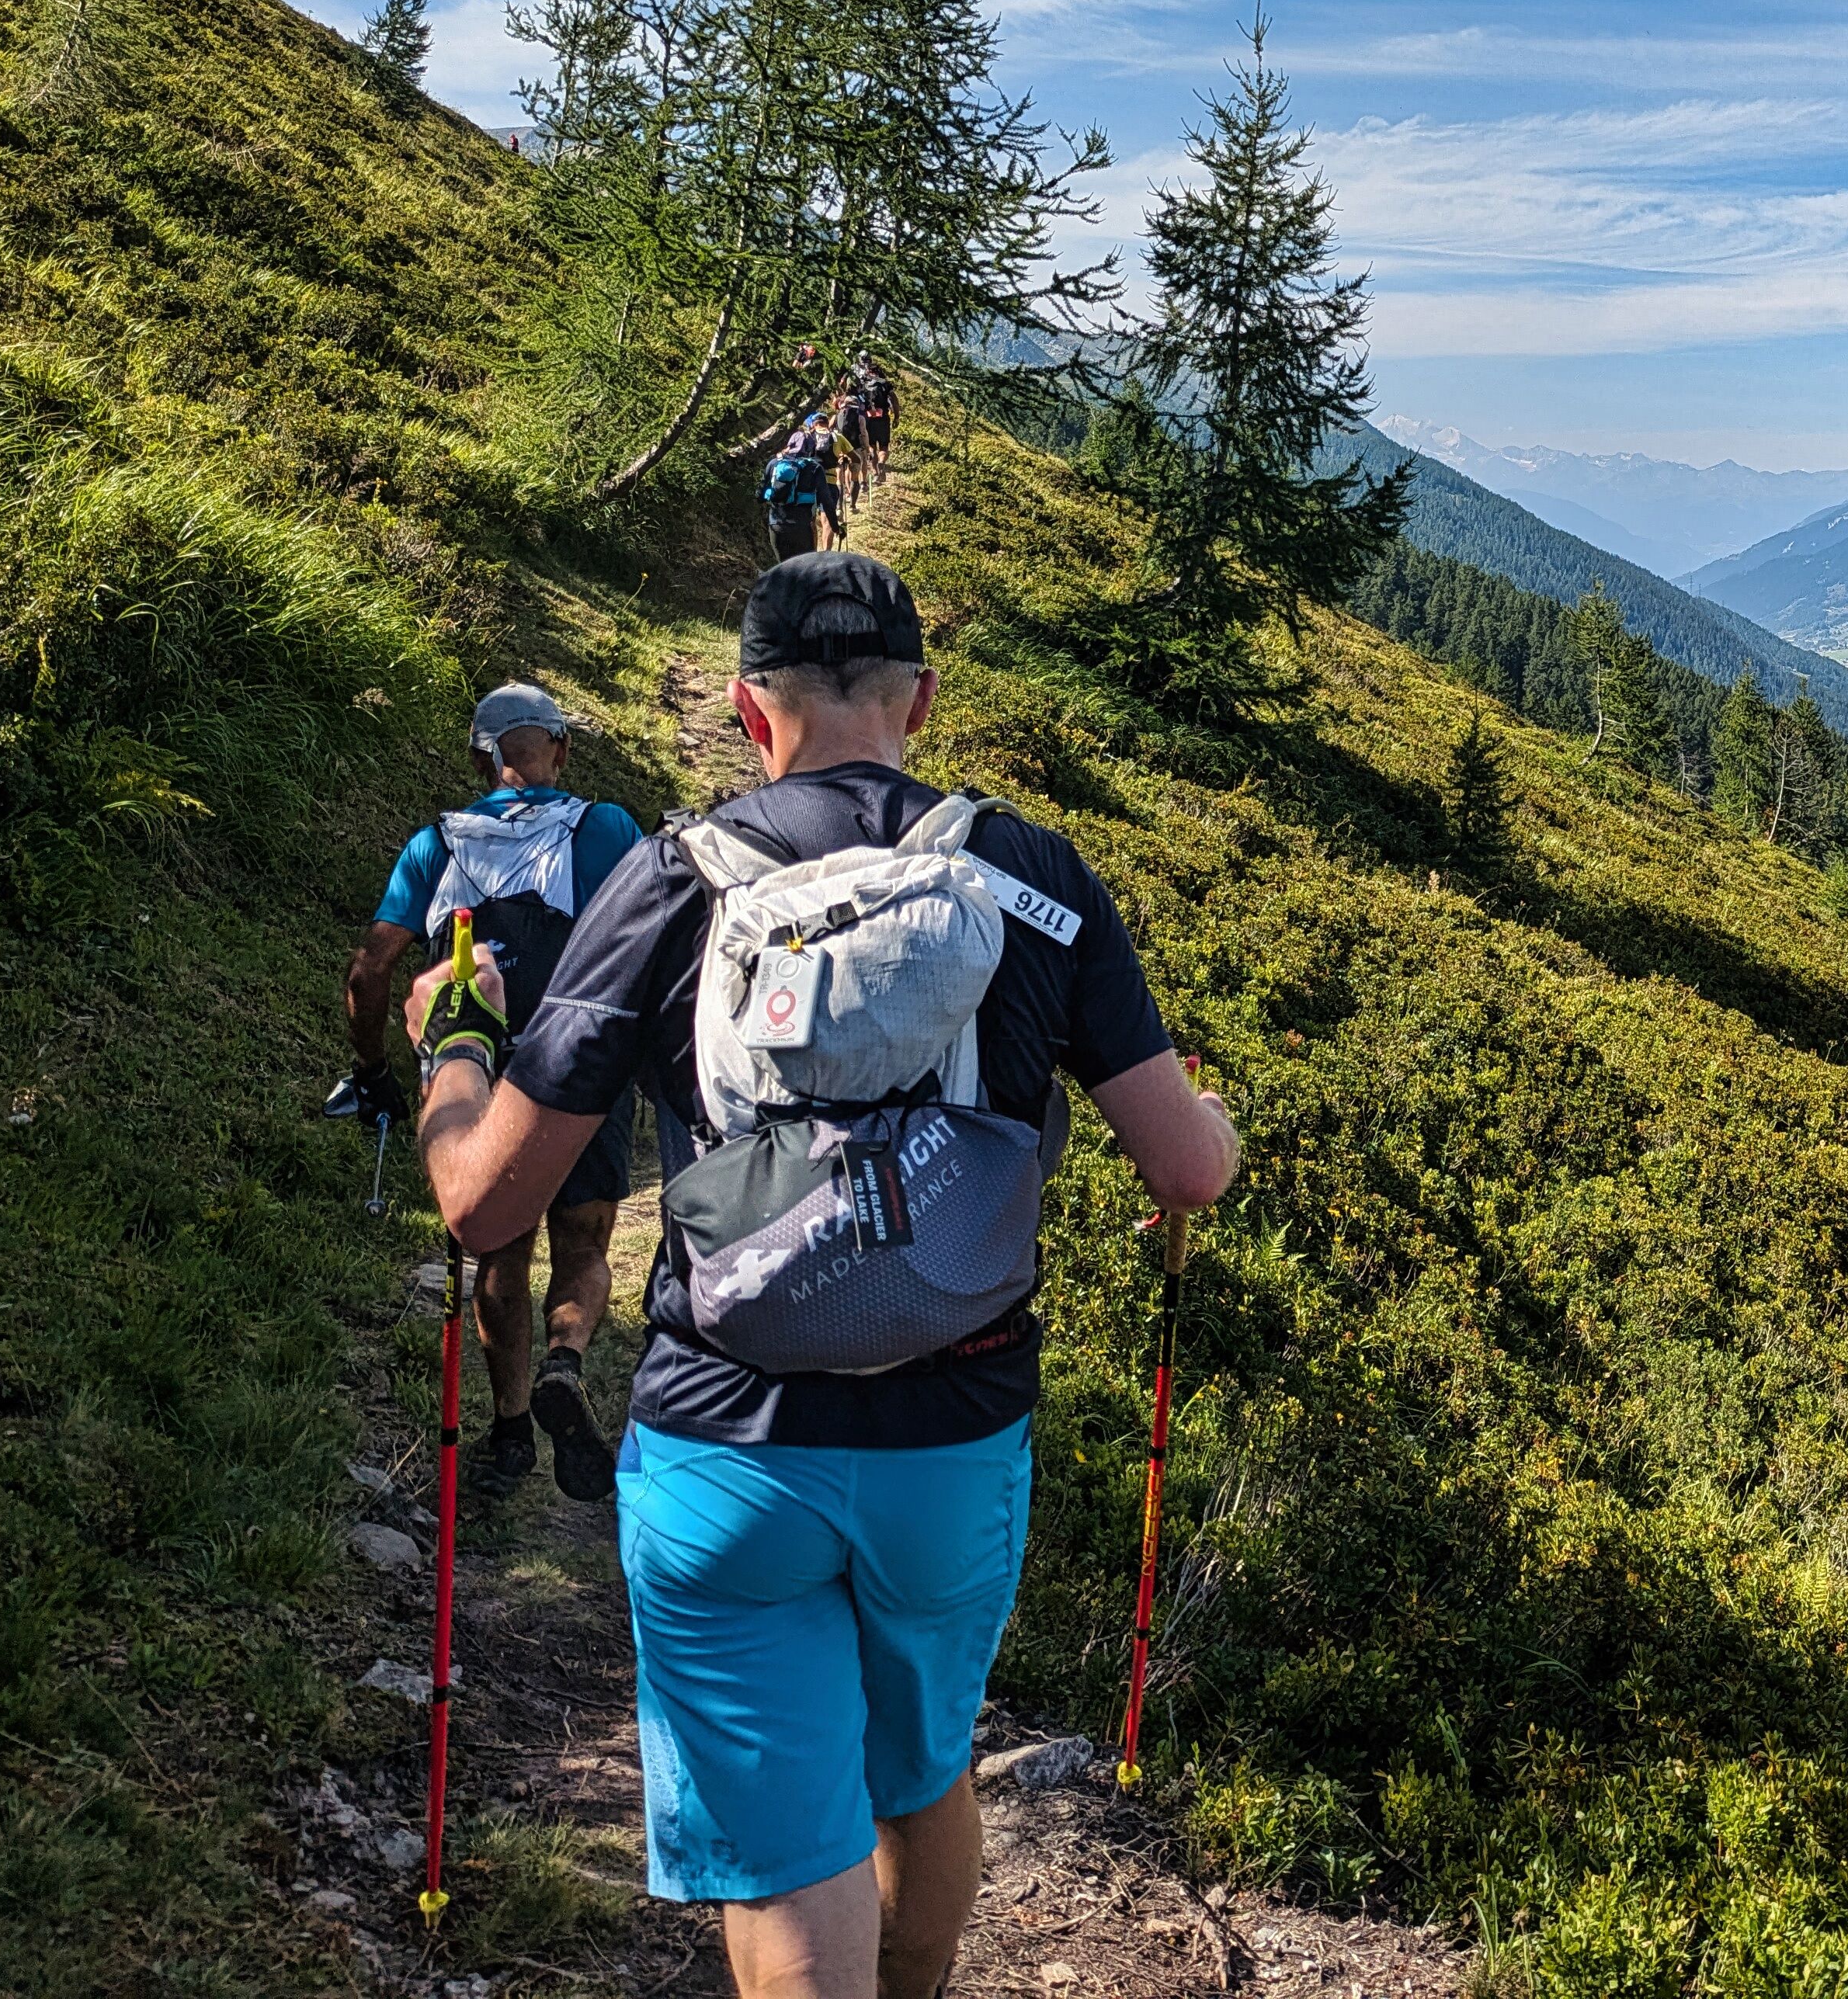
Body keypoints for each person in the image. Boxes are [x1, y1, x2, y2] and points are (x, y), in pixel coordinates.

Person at [405, 554, 1235, 1999]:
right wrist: (1210, 1118)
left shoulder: (671, 882)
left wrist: (453, 1049)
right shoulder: (1035, 877)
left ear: (747, 710)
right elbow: (1185, 1168)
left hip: (729, 1445)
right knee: (919, 1773)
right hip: (953, 1435)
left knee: (790, 1849)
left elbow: (485, 1207)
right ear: (919, 697)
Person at [340, 681, 648, 1501]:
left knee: (498, 1252)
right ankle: (565, 1360)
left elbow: (372, 969)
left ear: (481, 758)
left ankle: (509, 1431)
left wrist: (373, 1066)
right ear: (562, 749)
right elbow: (656, 935)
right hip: (584, 1062)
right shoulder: (606, 827)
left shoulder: (433, 845)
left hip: (475, 1068)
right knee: (583, 1244)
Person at [763, 425, 841, 562]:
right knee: (805, 572)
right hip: (802, 527)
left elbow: (761, 494)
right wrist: (836, 528)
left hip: (777, 525)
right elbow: (827, 502)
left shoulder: (774, 463)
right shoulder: (814, 468)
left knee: (783, 568)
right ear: (810, 448)